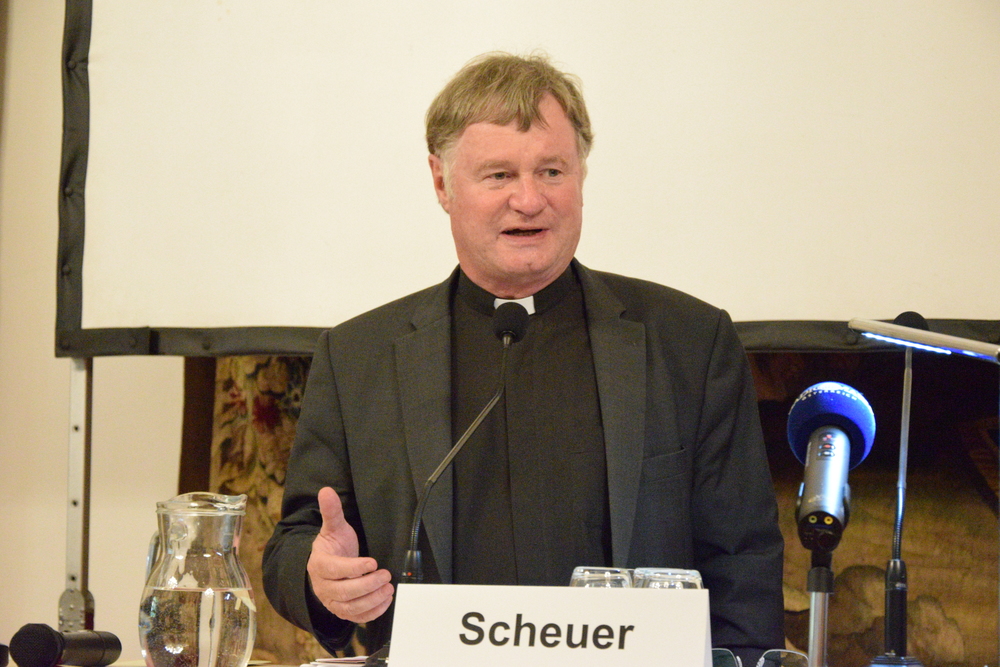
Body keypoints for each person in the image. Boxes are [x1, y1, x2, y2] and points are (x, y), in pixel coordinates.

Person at [262, 52, 784, 664]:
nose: (530, 200)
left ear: (581, 177)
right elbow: (297, 542)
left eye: (552, 171)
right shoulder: (358, 357)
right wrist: (321, 579)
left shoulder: (689, 342)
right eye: (499, 175)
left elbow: (744, 561)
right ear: (441, 184)